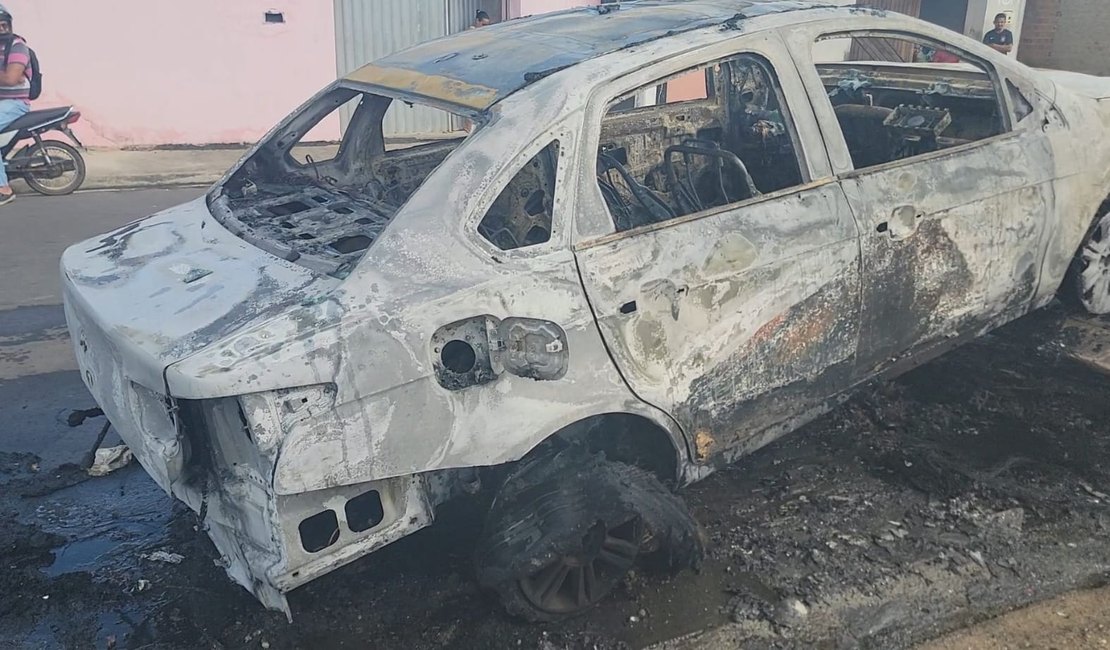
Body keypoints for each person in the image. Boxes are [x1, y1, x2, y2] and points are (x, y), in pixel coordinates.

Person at [0, 4, 29, 206]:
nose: (2, 28)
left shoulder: (18, 46)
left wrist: (10, 77)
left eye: (4, 24)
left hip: (15, 104)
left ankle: (4, 189)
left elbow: (11, 79)